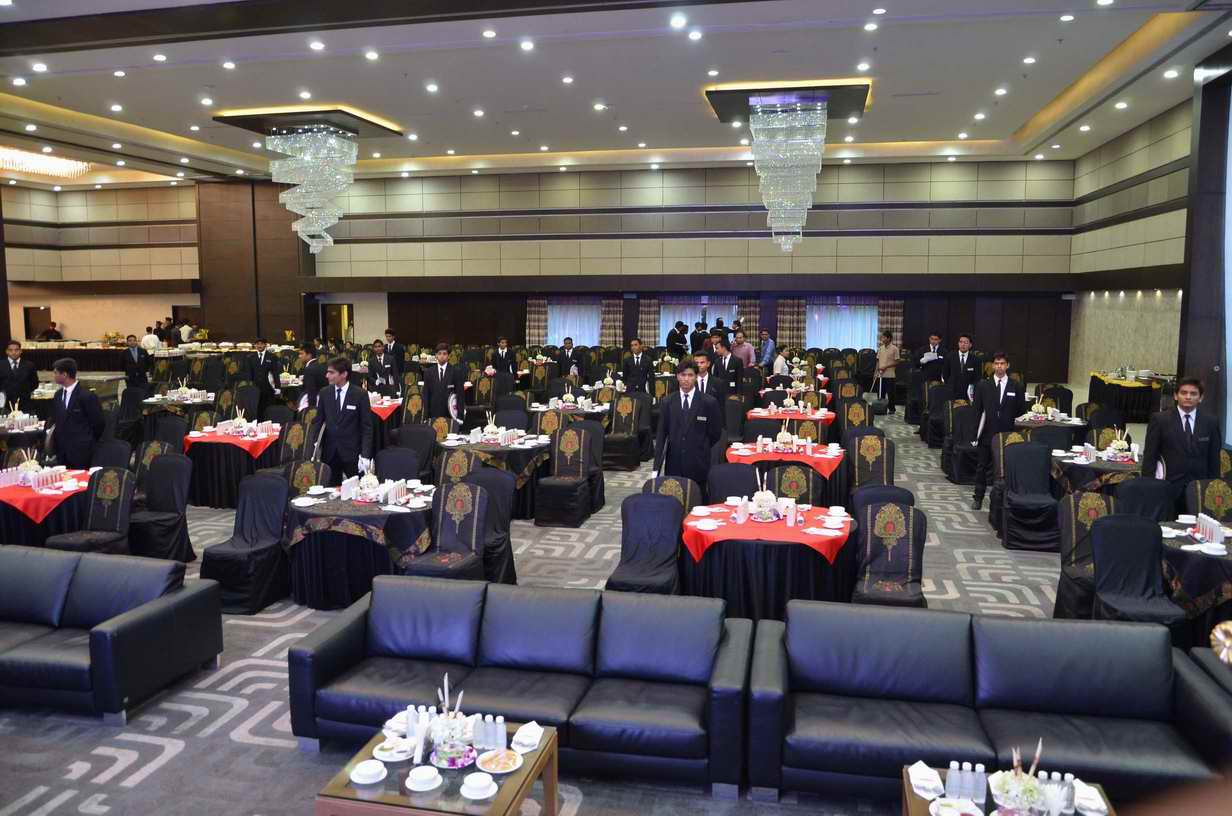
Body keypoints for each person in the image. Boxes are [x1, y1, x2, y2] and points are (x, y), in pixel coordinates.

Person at [1142, 377, 1223, 513]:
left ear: (1201, 398)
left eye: (1193, 393)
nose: (1188, 397)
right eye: (1184, 393)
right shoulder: (1160, 420)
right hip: (1168, 487)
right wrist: (1149, 486)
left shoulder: (1211, 422)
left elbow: (1214, 459)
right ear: (1175, 396)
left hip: (1199, 489)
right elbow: (1150, 456)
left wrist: (1212, 487)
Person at [654, 360, 723, 489]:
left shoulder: (709, 402)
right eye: (683, 375)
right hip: (674, 462)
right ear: (677, 376)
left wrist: (701, 446)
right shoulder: (667, 402)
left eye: (690, 375)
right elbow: (661, 434)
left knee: (698, 497)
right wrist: (656, 467)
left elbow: (715, 433)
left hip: (699, 461)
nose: (686, 379)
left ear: (696, 377)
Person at [970, 351, 1026, 511]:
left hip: (1007, 434)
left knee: (1005, 468)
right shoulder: (983, 385)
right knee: (982, 466)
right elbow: (977, 410)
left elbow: (1020, 410)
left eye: (1002, 363)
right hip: (987, 432)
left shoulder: (1016, 386)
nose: (999, 366)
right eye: (996, 363)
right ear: (992, 365)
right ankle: (978, 497)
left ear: (1007, 366)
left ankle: (1003, 499)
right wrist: (974, 433)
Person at [308, 356, 373, 485]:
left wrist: (365, 455)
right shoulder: (324, 393)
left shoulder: (360, 394)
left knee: (356, 490)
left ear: (344, 374)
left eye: (331, 372)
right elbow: (318, 421)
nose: (327, 376)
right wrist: (315, 443)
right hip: (330, 453)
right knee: (331, 491)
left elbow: (366, 427)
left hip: (352, 453)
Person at [50, 358, 104, 470]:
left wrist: (87, 440)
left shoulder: (86, 396)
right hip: (62, 451)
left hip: (82, 451)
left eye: (55, 373)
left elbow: (98, 423)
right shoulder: (58, 395)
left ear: (64, 374)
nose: (53, 376)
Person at [423, 342, 466, 420]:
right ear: (436, 355)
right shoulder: (428, 372)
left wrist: (460, 417)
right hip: (433, 414)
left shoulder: (456, 372)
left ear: (448, 356)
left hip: (450, 414)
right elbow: (426, 396)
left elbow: (460, 396)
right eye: (439, 353)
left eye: (444, 354)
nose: (442, 356)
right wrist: (426, 416)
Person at [248, 338, 282, 415]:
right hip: (255, 388)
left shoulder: (272, 357)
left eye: (261, 344)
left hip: (268, 388)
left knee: (269, 410)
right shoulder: (251, 357)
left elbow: (275, 373)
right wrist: (250, 387)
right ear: (255, 345)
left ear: (265, 345)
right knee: (257, 410)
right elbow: (249, 374)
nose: (259, 346)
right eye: (257, 344)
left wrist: (278, 387)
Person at [1, 341, 38, 409]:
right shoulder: (1, 365)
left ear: (21, 351)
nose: (13, 352)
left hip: (25, 402)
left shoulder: (29, 365)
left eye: (16, 350)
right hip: (5, 403)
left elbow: (35, 383)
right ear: (6, 351)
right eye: (10, 350)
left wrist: (25, 391)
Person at [946, 333, 979, 402]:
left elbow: (977, 378)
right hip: (952, 392)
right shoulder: (950, 357)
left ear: (970, 345)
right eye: (961, 342)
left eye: (965, 342)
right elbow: (945, 374)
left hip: (968, 394)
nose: (963, 344)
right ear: (958, 343)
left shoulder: (975, 359)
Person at [298, 343, 327, 410]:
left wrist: (311, 409)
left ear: (309, 355)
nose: (299, 356)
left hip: (316, 403)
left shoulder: (309, 369)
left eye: (301, 354)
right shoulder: (321, 365)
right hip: (325, 401)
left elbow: (311, 392)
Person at [875, 330, 899, 412]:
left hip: (890, 375)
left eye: (884, 337)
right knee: (880, 393)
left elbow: (897, 362)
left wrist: (886, 366)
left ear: (889, 338)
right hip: (880, 375)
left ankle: (892, 409)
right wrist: (876, 372)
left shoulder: (895, 349)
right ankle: (881, 409)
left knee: (891, 394)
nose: (882, 339)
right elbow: (878, 361)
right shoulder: (880, 348)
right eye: (882, 337)